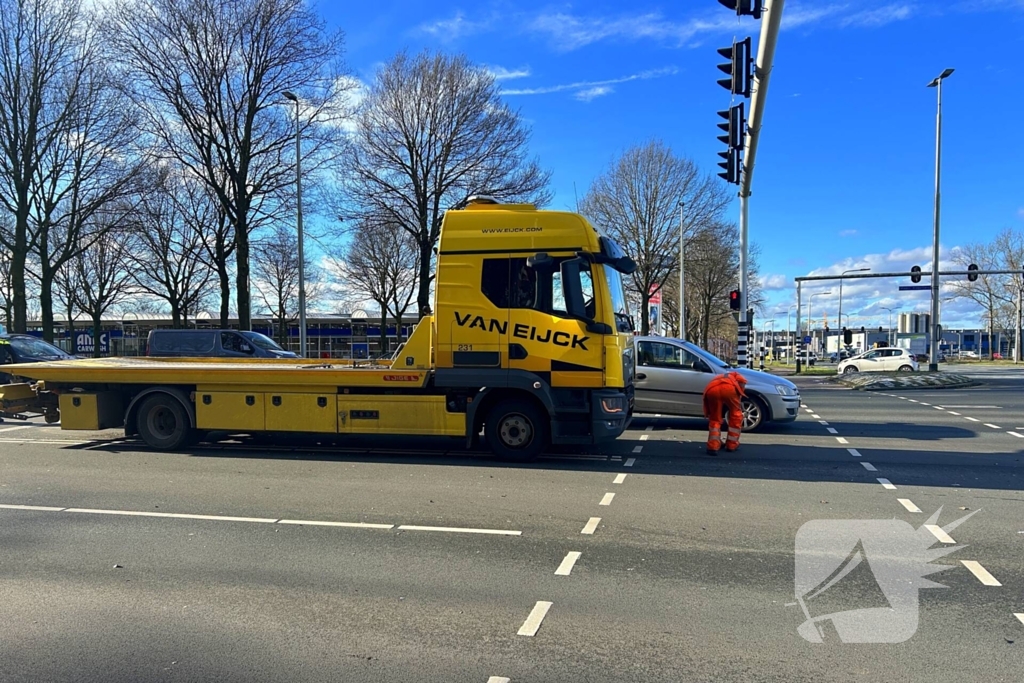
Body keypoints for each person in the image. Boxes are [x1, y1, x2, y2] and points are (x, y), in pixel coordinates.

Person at [702, 370, 748, 455]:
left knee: (715, 418)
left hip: (711, 389)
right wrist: (739, 394)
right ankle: (731, 445)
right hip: (728, 389)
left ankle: (713, 446)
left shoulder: (719, 376)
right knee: (736, 415)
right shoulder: (736, 374)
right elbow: (742, 381)